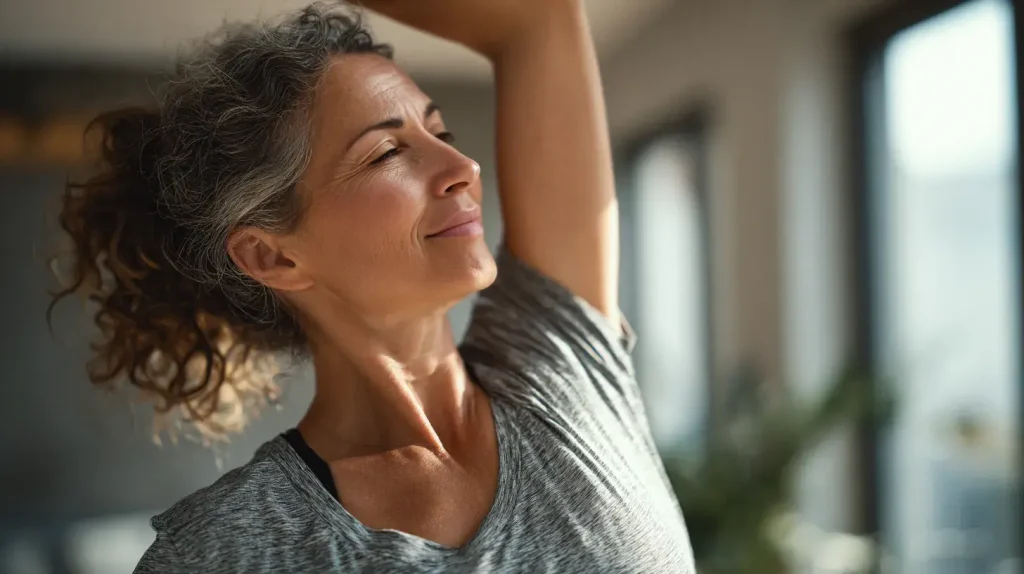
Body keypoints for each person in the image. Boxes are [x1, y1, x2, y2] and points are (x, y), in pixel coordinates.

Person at [52, 1, 695, 571]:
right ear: (271, 256)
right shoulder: (221, 553)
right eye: (387, 154)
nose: (462, 168)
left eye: (438, 132)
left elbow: (538, 14)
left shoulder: (561, 357)